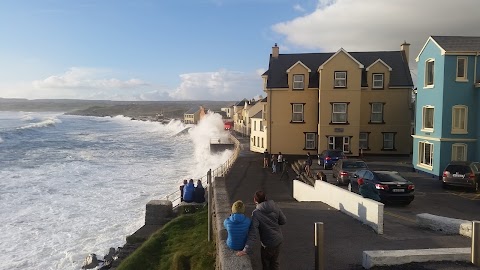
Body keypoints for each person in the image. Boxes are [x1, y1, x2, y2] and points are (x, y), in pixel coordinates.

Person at [237, 190, 286, 270]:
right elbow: (283, 221)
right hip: (278, 240)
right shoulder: (275, 206)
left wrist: (245, 249)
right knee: (275, 264)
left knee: (266, 265)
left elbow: (253, 233)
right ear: (266, 198)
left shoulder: (256, 213)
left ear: (255, 200)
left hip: (267, 244)